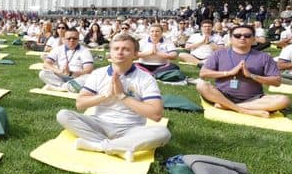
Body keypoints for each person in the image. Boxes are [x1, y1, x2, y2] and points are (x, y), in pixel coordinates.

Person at [55, 33, 170, 162]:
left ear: (135, 54)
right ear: (110, 52)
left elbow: (156, 115)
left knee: (163, 133)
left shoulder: (145, 78)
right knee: (63, 114)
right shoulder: (98, 74)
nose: (120, 52)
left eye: (126, 49)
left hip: (131, 129)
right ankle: (120, 148)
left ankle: (99, 146)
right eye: (116, 49)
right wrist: (105, 95)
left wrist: (122, 96)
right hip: (100, 124)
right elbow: (80, 104)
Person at [196, 24, 290, 118]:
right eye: (237, 36)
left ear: (253, 39)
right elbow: (203, 73)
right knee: (201, 85)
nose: (242, 38)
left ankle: (228, 106)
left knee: (284, 100)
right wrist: (229, 73)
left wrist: (251, 75)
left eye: (247, 36)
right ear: (231, 39)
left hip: (253, 100)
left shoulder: (264, 57)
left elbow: (277, 81)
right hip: (222, 95)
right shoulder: (219, 54)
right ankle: (245, 111)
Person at [39, 27, 94, 91]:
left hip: (77, 77)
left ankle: (58, 87)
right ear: (64, 39)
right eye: (69, 38)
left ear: (78, 39)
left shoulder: (85, 51)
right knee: (43, 73)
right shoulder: (58, 49)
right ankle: (66, 87)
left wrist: (71, 73)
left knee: (89, 77)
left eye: (74, 38)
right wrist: (58, 71)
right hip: (61, 75)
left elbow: (89, 69)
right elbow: (46, 63)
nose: (72, 40)